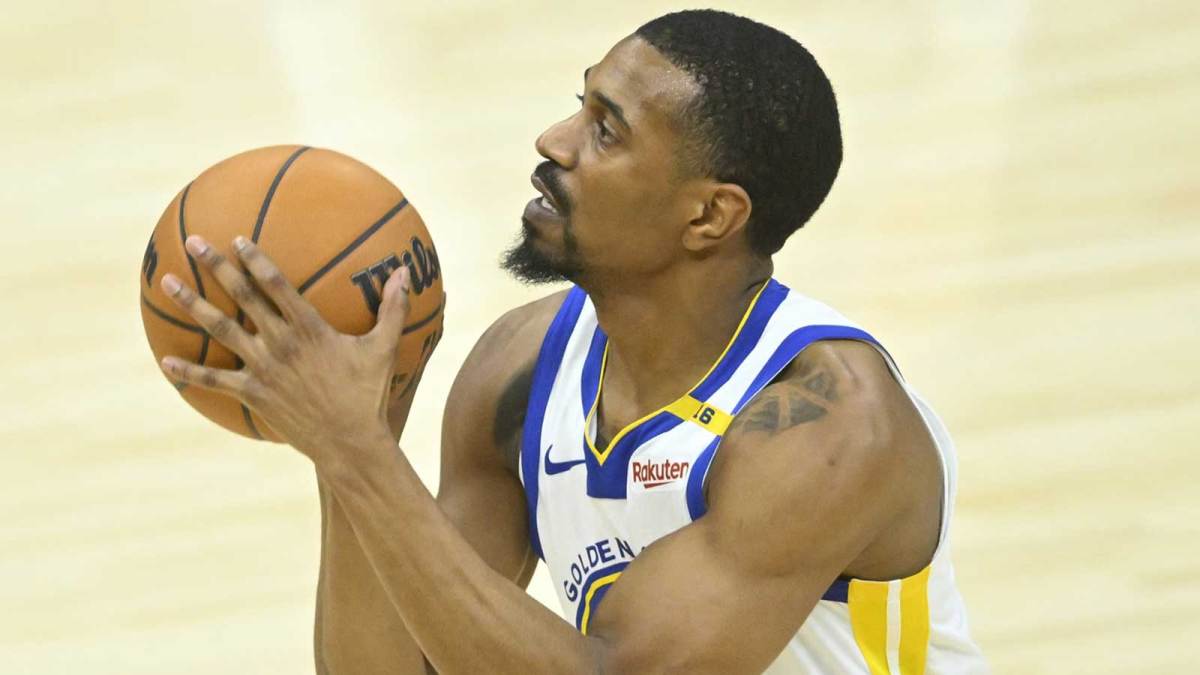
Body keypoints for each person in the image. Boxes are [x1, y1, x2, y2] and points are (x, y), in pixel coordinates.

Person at [158, 9, 988, 674]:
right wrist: (358, 438)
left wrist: (356, 452)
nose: (553, 141)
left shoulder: (828, 426)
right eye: (579, 104)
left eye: (606, 131)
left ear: (709, 215)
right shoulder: (517, 372)